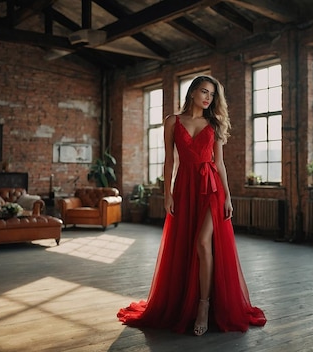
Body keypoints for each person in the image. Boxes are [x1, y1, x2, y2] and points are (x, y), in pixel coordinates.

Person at [117, 75, 267, 336]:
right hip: (184, 188)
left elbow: (219, 164)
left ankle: (203, 306)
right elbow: (168, 161)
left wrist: (228, 197)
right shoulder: (173, 122)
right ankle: (186, 301)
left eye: (212, 94)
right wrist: (167, 194)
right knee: (186, 244)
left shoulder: (215, 123)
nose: (208, 98)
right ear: (192, 93)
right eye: (204, 92)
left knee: (202, 242)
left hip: (211, 188)